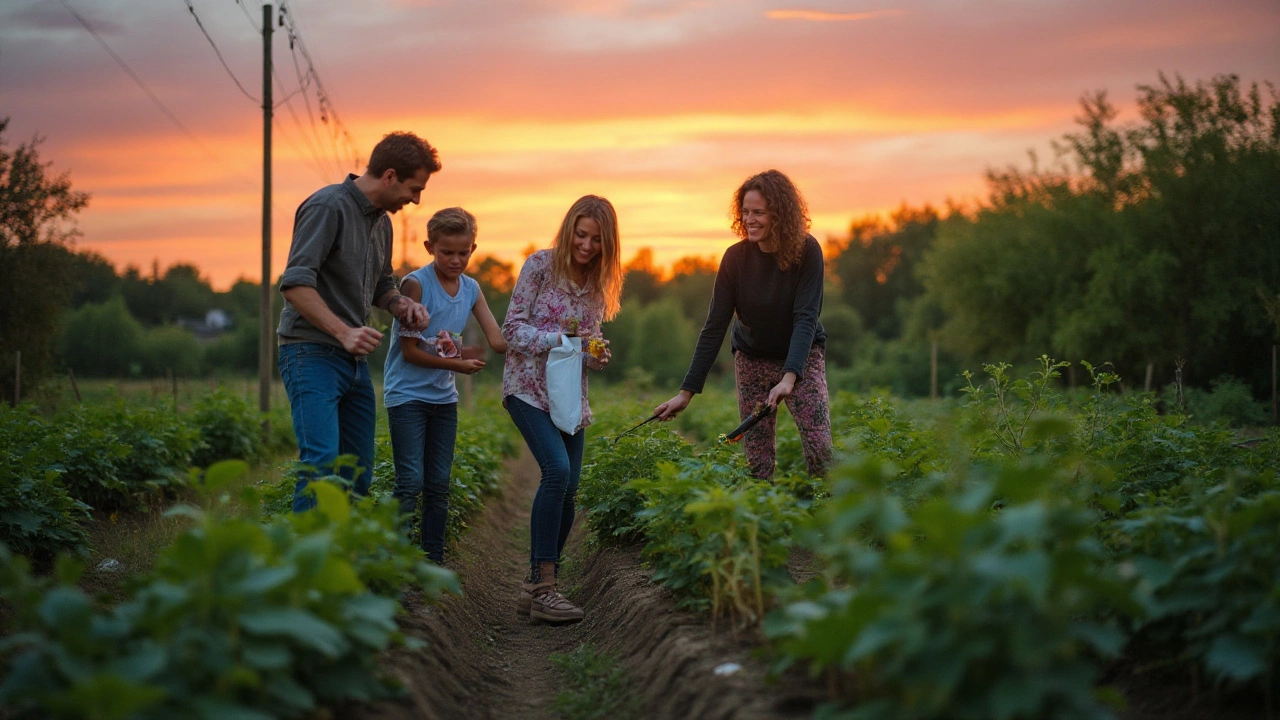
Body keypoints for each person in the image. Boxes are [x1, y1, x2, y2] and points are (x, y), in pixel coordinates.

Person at [277, 131, 440, 512]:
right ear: (389, 176)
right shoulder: (327, 207)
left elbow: (382, 284)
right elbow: (295, 284)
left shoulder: (382, 223)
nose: (415, 200)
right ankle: (306, 566)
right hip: (310, 352)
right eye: (414, 189)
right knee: (320, 465)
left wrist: (401, 305)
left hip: (353, 362)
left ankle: (345, 561)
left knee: (358, 471)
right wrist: (344, 331)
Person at [654, 169, 833, 479]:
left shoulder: (808, 252)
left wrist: (790, 377)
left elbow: (805, 318)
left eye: (759, 212)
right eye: (746, 212)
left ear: (781, 214)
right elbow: (714, 327)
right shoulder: (735, 259)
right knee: (757, 461)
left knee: (821, 451)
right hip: (751, 360)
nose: (750, 219)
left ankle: (832, 519)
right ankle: (760, 523)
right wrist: (686, 393)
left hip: (802, 359)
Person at [503, 195, 623, 624]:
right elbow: (511, 330)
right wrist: (557, 340)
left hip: (569, 395)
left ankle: (536, 585)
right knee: (556, 471)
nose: (587, 246)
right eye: (581, 234)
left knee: (570, 488)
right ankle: (544, 589)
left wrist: (596, 354)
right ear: (569, 227)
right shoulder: (539, 265)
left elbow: (586, 344)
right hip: (527, 389)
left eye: (596, 240)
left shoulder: (597, 284)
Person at [383, 207, 507, 563]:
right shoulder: (415, 285)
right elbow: (409, 352)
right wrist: (457, 365)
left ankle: (432, 561)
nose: (455, 260)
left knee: (438, 483)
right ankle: (396, 564)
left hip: (443, 399)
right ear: (429, 247)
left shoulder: (471, 288)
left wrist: (553, 342)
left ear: (473, 248)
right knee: (410, 482)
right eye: (446, 252)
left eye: (463, 252)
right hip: (407, 397)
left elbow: (497, 339)